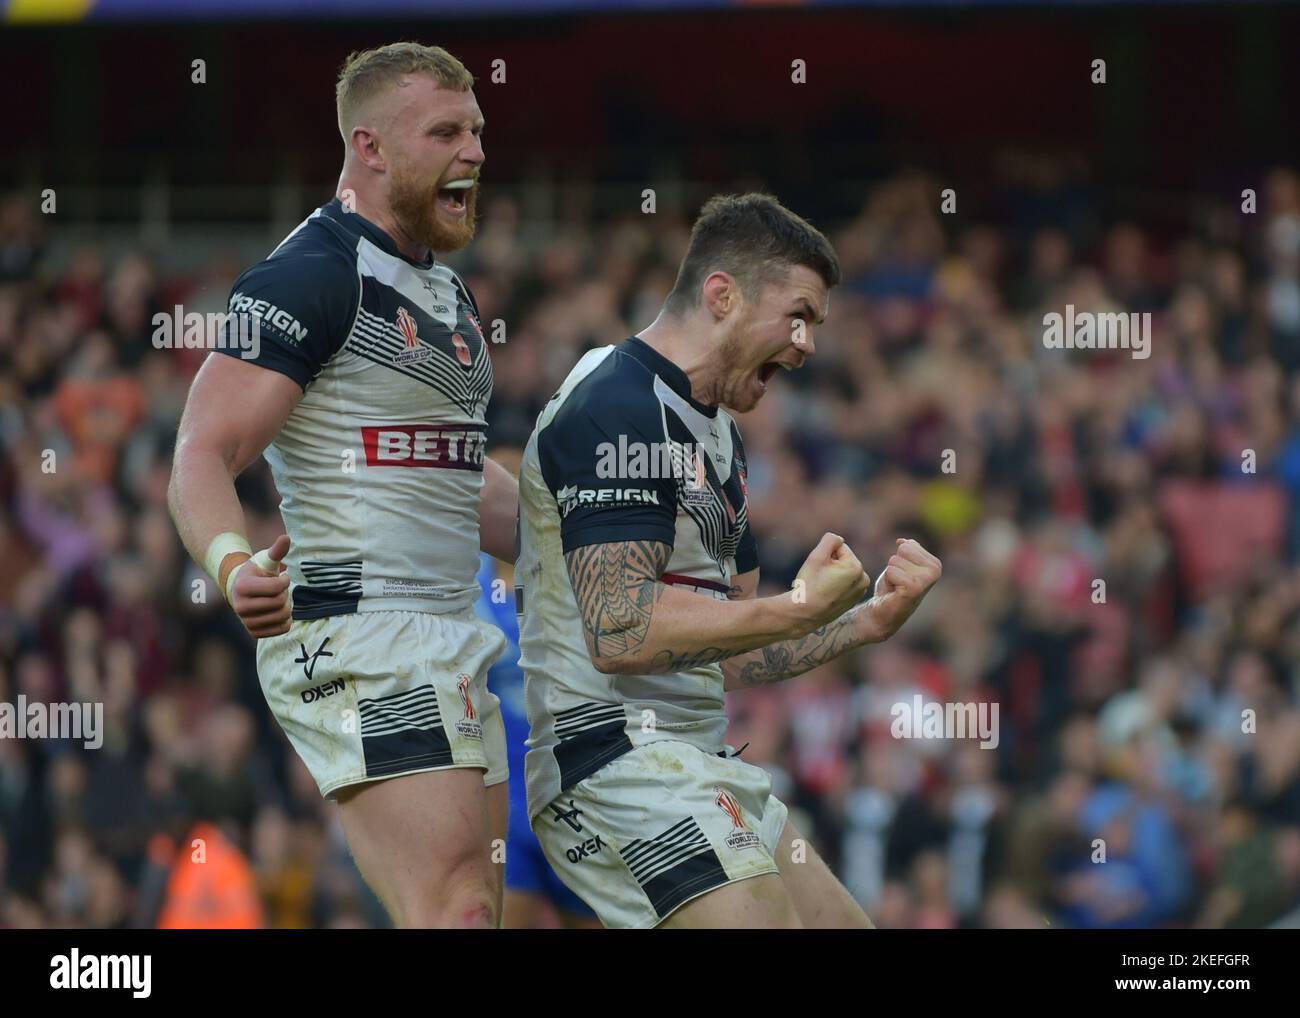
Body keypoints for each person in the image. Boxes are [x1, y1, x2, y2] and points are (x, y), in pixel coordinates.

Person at [515, 193, 942, 928]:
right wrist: (802, 604)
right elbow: (620, 632)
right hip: (612, 765)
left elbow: (727, 653)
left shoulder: (718, 435)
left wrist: (863, 625)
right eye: (798, 315)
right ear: (722, 295)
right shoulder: (616, 404)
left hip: (700, 763)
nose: (808, 344)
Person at [168, 42, 518, 928]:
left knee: (475, 911)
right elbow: (202, 452)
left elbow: (462, 481)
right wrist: (230, 561)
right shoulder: (314, 271)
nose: (474, 151)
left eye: (476, 129)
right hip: (360, 634)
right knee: (458, 913)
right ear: (371, 148)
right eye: (446, 131)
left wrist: (608, 531)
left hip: (456, 630)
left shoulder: (448, 295)